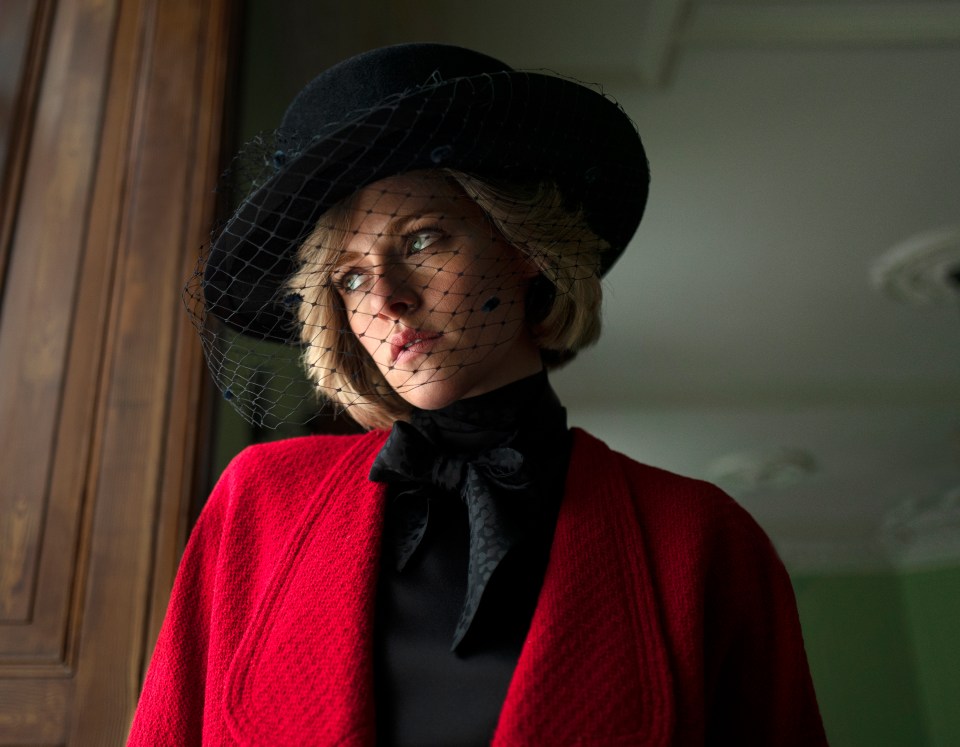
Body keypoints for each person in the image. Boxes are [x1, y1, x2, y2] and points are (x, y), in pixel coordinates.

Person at [128, 43, 827, 746]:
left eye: (423, 237)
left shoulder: (701, 539)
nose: (390, 298)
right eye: (350, 278)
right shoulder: (259, 504)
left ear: (521, 244)